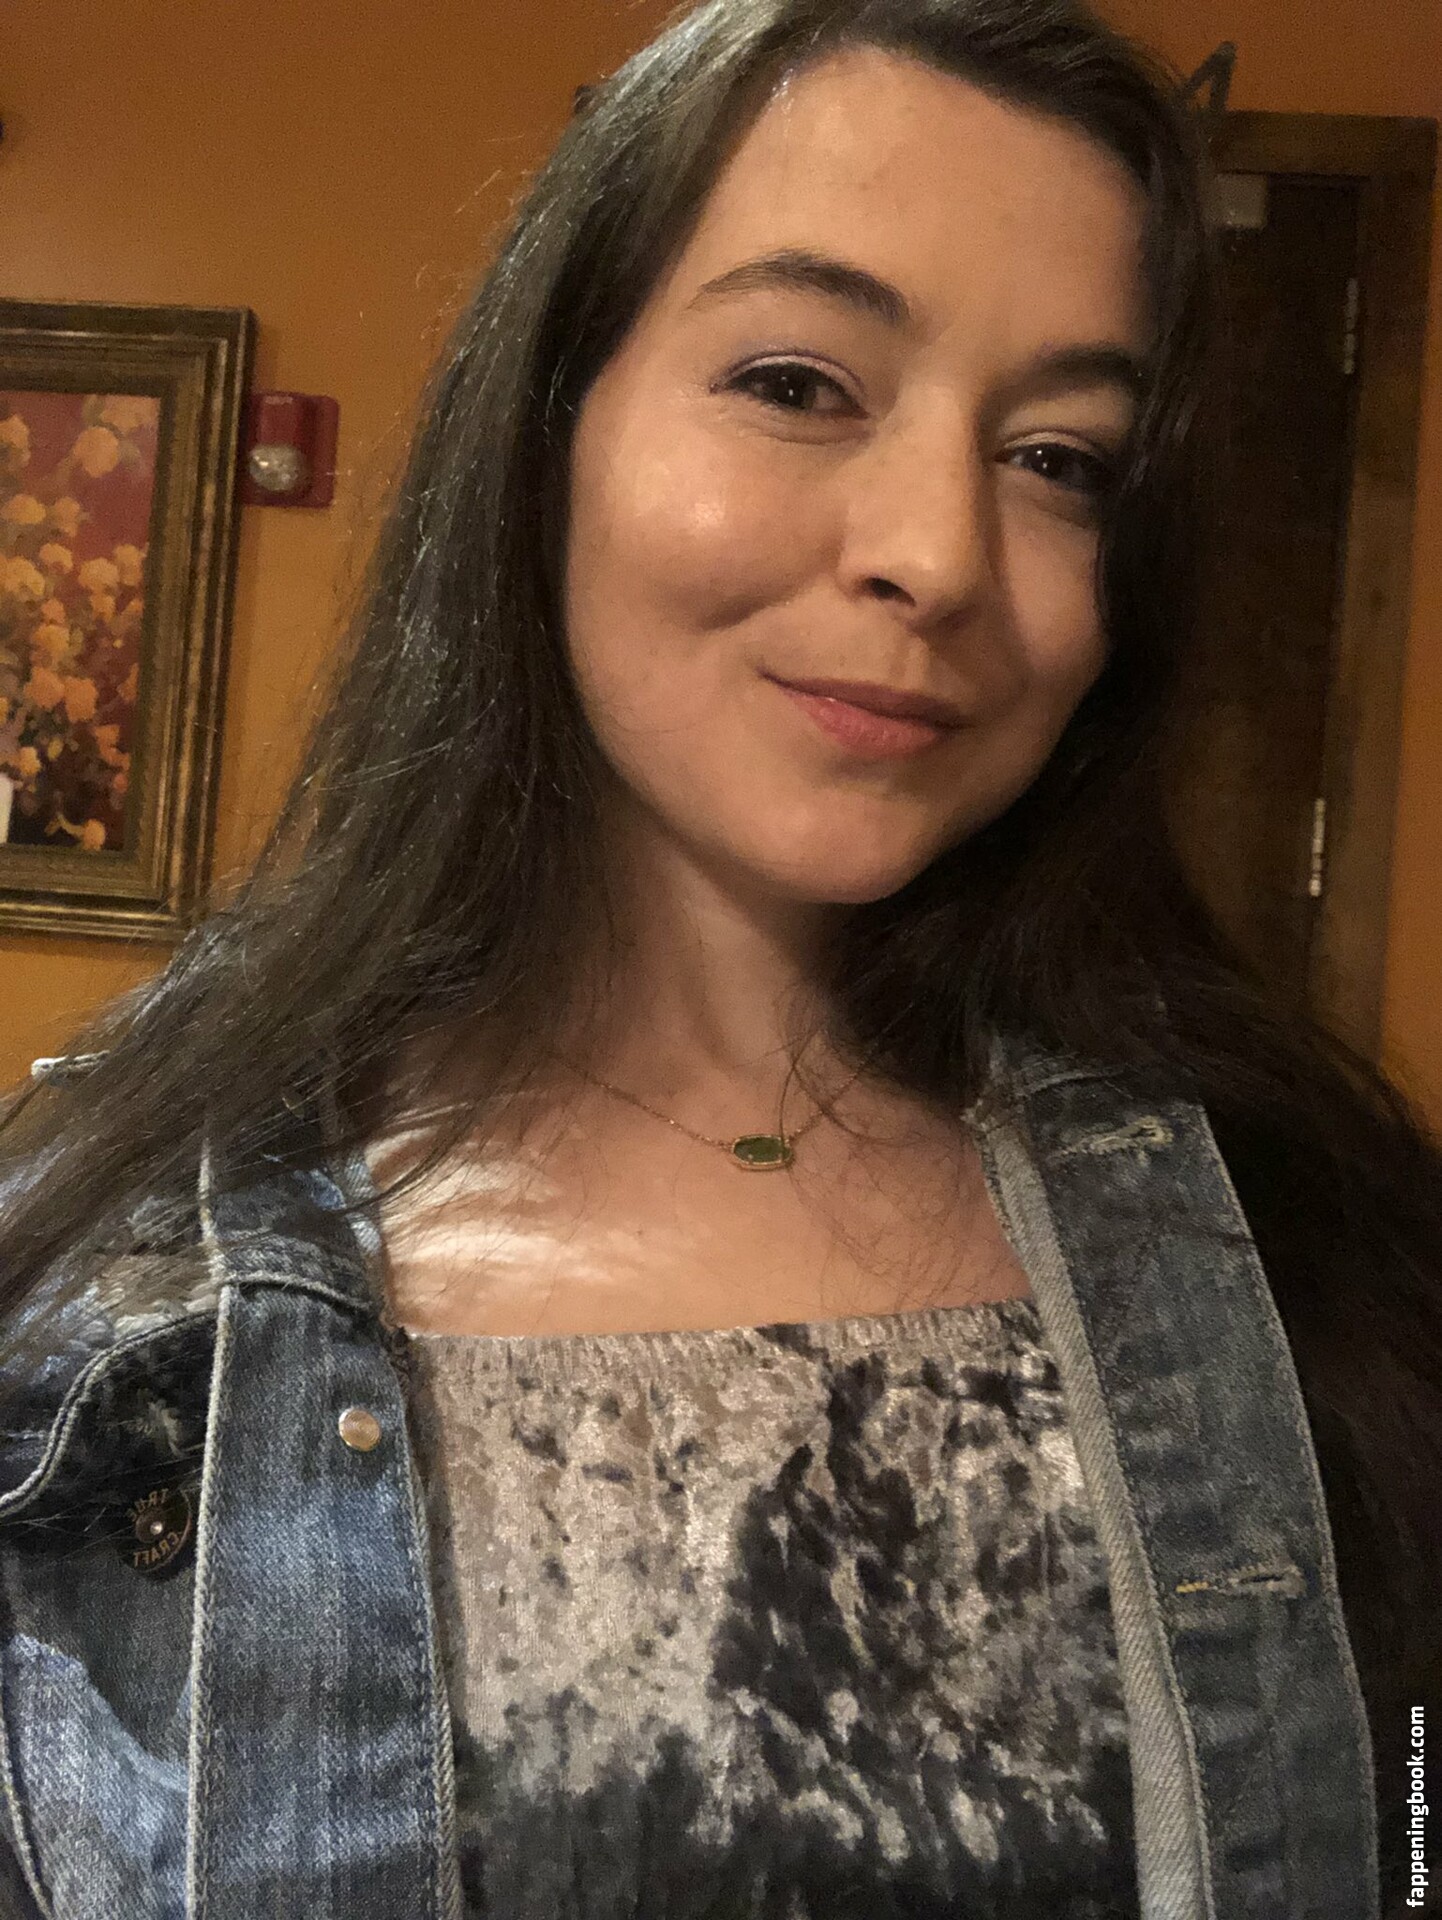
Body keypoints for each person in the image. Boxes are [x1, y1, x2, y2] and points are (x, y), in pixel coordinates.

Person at [0, 0, 1437, 1914]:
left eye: (1059, 459)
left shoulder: (1311, 1245)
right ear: (547, 426)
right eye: (796, 381)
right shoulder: (88, 1296)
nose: (939, 553)